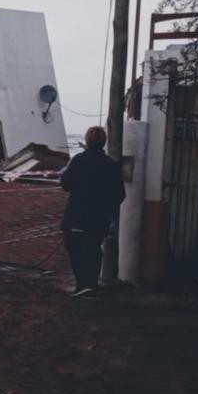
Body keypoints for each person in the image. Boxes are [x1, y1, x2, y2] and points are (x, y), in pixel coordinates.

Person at [59, 126, 125, 297]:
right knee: (94, 248)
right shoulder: (111, 165)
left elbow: (65, 183)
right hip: (99, 217)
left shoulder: (79, 160)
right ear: (103, 142)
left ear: (87, 141)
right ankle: (91, 283)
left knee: (75, 247)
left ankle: (83, 283)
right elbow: (120, 194)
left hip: (77, 215)